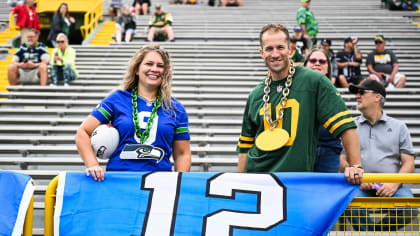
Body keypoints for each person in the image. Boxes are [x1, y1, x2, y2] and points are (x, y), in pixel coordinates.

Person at [236, 23, 363, 185]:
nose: (275, 54)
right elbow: (245, 147)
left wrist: (356, 165)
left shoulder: (314, 81)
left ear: (291, 50)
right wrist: (239, 183)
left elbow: (345, 126)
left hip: (295, 182)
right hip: (260, 182)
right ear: (262, 53)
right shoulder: (255, 95)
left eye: (280, 47)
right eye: (269, 49)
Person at [75, 44, 191, 181]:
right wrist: (93, 165)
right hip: (119, 182)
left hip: (159, 184)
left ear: (165, 72)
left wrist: (179, 183)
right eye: (149, 64)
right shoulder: (117, 99)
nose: (154, 69)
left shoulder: (176, 108)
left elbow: (182, 153)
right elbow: (82, 132)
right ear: (136, 69)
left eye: (160, 66)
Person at [342, 79, 417, 231]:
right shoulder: (350, 126)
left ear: (377, 97)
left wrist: (394, 184)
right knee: (350, 203)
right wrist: (356, 175)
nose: (357, 96)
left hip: (391, 185)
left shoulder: (399, 126)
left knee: (410, 206)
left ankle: (374, 233)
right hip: (360, 185)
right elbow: (342, 158)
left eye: (362, 92)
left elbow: (409, 162)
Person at [304, 49, 343, 173]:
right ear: (306, 64)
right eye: (313, 60)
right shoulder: (293, 90)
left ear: (327, 68)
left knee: (326, 191)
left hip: (329, 151)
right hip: (302, 150)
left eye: (322, 61)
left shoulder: (333, 93)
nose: (317, 63)